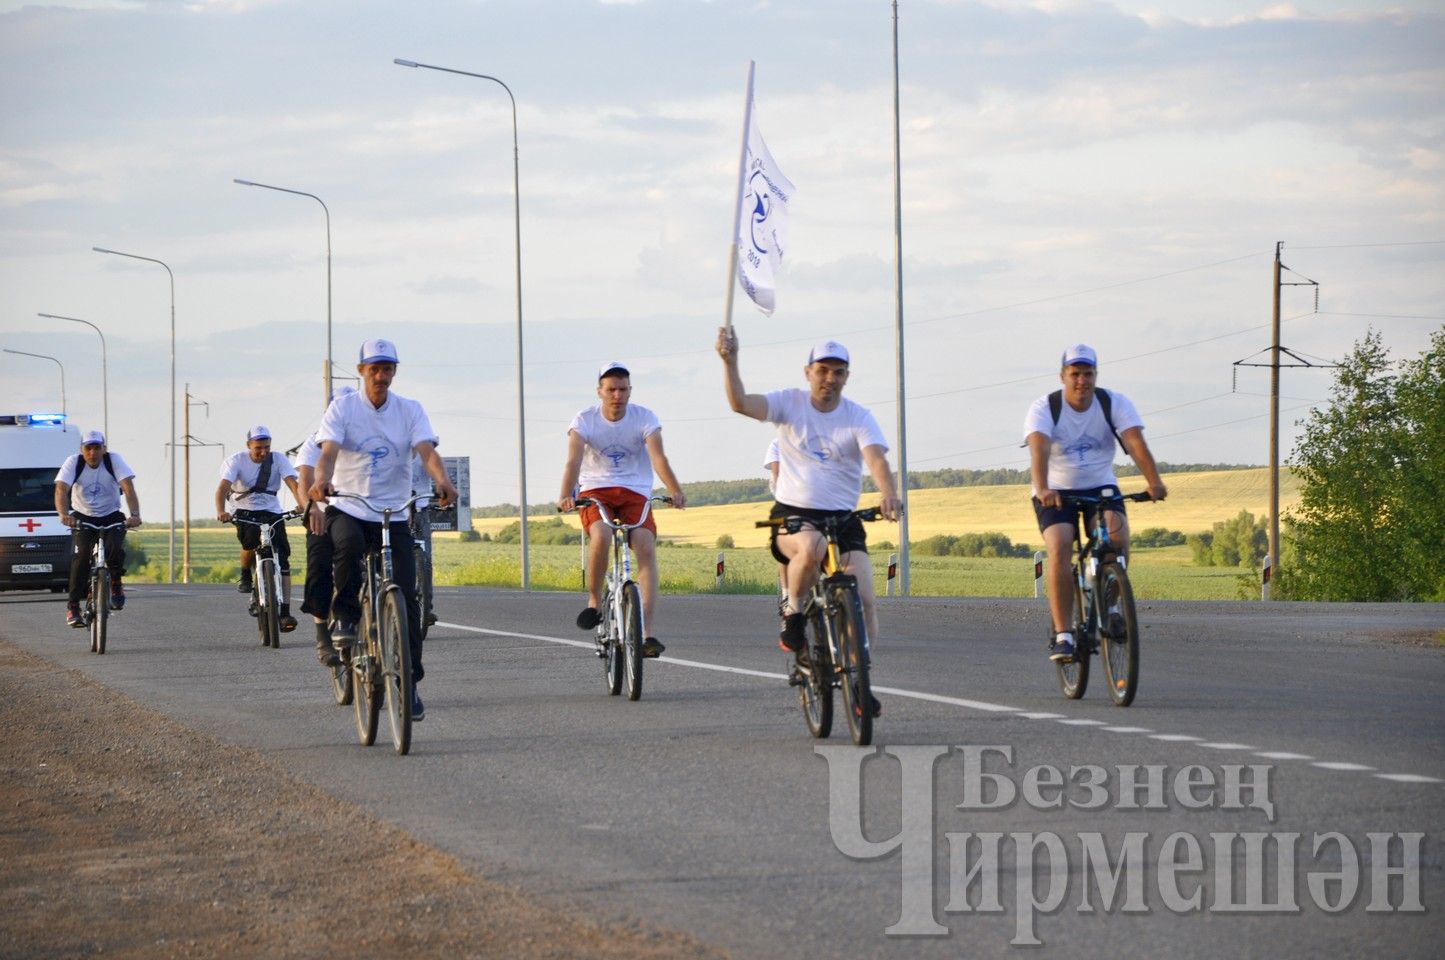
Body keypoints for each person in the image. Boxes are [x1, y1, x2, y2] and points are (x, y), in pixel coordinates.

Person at [716, 329, 901, 717]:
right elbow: (740, 403)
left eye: (838, 372)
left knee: (865, 598)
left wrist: (889, 494)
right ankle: (795, 612)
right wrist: (729, 362)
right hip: (794, 515)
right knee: (810, 547)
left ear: (847, 377)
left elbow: (877, 460)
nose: (829, 378)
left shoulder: (857, 416)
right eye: (823, 370)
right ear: (808, 372)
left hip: (843, 520)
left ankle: (858, 677)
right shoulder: (790, 404)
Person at [310, 339, 459, 722]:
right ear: (361, 371)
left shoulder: (410, 410)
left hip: (393, 512)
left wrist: (442, 480)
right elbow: (326, 454)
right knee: (346, 544)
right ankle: (344, 618)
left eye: (387, 368)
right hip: (351, 505)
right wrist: (322, 482)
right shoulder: (343, 409)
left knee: (409, 599)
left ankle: (409, 684)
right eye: (374, 368)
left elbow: (426, 451)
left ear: (394, 371)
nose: (381, 375)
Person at [1024, 343, 1167, 664]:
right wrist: (1044, 487)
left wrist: (1154, 482)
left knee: (1117, 539)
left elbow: (1135, 442)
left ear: (1095, 375)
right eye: (1075, 374)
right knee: (1060, 545)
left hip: (1100, 486)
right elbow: (1039, 449)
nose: (1081, 381)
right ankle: (1063, 635)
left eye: (1088, 374)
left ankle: (1112, 606)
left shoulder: (1113, 402)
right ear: (1063, 376)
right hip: (1056, 490)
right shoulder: (1045, 407)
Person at [557, 362, 686, 658]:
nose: (617, 395)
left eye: (623, 389)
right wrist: (566, 494)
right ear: (600, 391)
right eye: (611, 389)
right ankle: (594, 602)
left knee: (645, 547)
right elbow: (573, 461)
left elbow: (659, 458)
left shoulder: (645, 418)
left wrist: (676, 490)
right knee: (600, 535)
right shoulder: (585, 420)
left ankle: (646, 635)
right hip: (595, 490)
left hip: (635, 490)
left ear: (630, 391)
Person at [217, 425, 303, 633]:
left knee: (282, 559)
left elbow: (292, 483)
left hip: (272, 511)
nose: (263, 452)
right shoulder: (236, 461)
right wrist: (222, 511)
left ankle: (284, 611)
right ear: (249, 446)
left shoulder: (278, 459)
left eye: (267, 447)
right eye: (258, 448)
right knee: (249, 543)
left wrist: (303, 505)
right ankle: (246, 574)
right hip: (244, 511)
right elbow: (222, 488)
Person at [53, 430, 142, 626]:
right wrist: (63, 515)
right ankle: (74, 606)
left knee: (114, 550)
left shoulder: (113, 461)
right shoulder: (73, 463)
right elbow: (61, 489)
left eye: (97, 448)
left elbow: (127, 487)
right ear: (81, 450)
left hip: (111, 514)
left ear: (104, 449)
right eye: (88, 448)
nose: (92, 453)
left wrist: (134, 515)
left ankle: (116, 583)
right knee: (82, 556)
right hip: (82, 517)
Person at [294, 386, 356, 666]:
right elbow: (305, 478)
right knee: (320, 563)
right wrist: (312, 509)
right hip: (324, 510)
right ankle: (322, 633)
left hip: (360, 510)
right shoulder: (315, 440)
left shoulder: (364, 434)